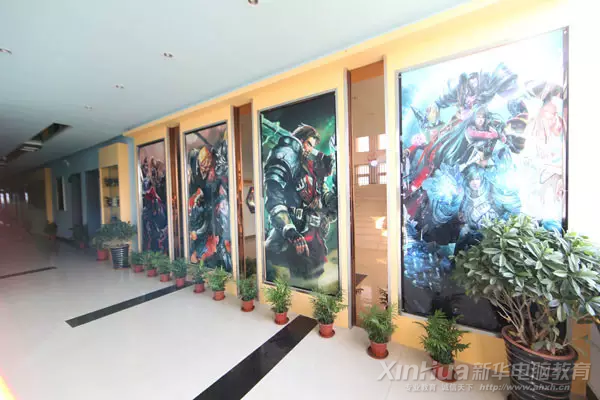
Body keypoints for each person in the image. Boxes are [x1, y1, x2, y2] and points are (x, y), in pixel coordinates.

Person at [263, 124, 336, 281]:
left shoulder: (309, 168)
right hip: (289, 233)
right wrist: (290, 231)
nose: (310, 149)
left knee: (312, 277)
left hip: (311, 233)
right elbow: (274, 197)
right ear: (300, 140)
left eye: (312, 146)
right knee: (283, 275)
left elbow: (322, 195)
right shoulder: (287, 155)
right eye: (308, 143)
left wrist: (328, 210)